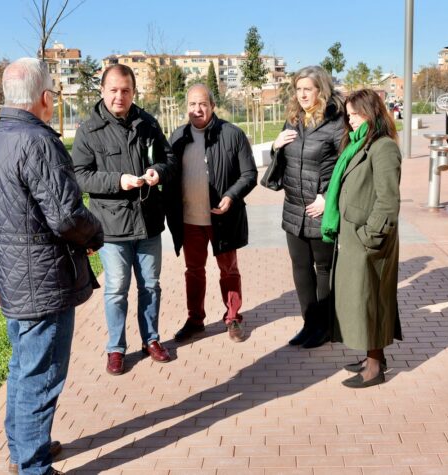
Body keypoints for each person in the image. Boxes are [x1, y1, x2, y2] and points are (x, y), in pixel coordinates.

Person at [0, 57, 104, 475]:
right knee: (41, 376)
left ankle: (23, 450)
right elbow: (67, 216)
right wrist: (96, 234)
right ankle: (32, 465)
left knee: (22, 369)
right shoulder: (37, 141)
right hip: (41, 282)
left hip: (14, 280)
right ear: (45, 98)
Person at [71, 64, 178, 375]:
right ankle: (116, 348)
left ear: (134, 92)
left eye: (126, 90)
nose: (120, 96)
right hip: (112, 227)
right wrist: (118, 182)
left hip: (148, 222)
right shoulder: (89, 131)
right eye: (114, 90)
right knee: (116, 289)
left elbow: (168, 158)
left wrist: (159, 172)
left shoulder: (148, 123)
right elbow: (80, 176)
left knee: (151, 286)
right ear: (103, 91)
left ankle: (152, 339)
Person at [321, 88, 403, 388]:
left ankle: (375, 367)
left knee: (372, 301)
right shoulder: (358, 144)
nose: (350, 120)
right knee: (362, 301)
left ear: (371, 113)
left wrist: (370, 237)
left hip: (369, 241)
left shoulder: (383, 148)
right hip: (355, 238)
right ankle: (372, 355)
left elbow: (388, 200)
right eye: (348, 114)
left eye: (355, 114)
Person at [167, 84, 257, 343]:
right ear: (186, 107)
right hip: (189, 220)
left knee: (228, 271)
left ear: (213, 106)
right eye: (193, 104)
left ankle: (233, 318)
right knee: (193, 271)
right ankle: (195, 320)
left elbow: (249, 174)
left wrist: (230, 195)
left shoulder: (232, 134)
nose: (197, 109)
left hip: (223, 219)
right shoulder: (177, 137)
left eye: (203, 104)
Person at [265, 65, 345, 349]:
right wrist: (275, 147)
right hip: (294, 207)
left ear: (320, 90)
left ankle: (324, 327)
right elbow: (283, 160)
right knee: (301, 267)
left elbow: (344, 167)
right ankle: (309, 324)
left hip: (319, 208)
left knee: (323, 268)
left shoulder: (336, 123)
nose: (301, 95)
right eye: (298, 90)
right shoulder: (293, 120)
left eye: (307, 89)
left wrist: (327, 197)